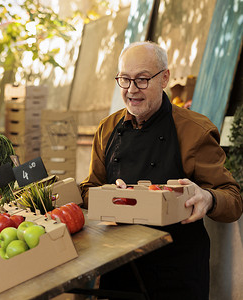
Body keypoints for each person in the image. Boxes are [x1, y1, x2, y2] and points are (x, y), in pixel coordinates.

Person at [79, 41, 242, 299]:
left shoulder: (194, 130)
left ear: (164, 78)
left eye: (142, 80)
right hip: (120, 271)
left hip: (176, 274)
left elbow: (232, 198)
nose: (132, 90)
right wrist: (108, 195)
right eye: (124, 79)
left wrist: (208, 199)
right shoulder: (107, 129)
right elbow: (89, 189)